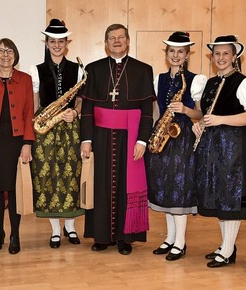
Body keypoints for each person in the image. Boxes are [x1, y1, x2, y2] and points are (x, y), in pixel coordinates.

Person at [79, 24, 154, 255]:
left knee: (126, 186)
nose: (117, 41)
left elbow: (147, 110)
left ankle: (125, 238)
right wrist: (86, 139)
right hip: (100, 137)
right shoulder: (94, 69)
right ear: (106, 43)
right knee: (100, 185)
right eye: (112, 38)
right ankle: (101, 236)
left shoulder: (143, 70)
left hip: (130, 137)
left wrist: (142, 141)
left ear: (128, 41)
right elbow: (88, 108)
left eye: (121, 37)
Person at [191, 35, 246, 268]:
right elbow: (204, 115)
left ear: (234, 56)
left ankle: (228, 250)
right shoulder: (209, 83)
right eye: (216, 54)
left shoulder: (244, 83)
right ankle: (226, 244)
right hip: (213, 146)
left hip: (234, 147)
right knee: (220, 195)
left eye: (225, 53)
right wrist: (198, 123)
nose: (220, 58)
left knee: (231, 197)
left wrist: (219, 119)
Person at [146, 31, 206, 261]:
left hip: (182, 138)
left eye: (180, 51)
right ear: (167, 53)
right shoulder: (158, 79)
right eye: (172, 51)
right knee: (166, 189)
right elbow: (155, 111)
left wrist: (185, 110)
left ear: (187, 54)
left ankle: (180, 242)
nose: (176, 55)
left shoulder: (196, 79)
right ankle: (170, 238)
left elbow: (200, 113)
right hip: (163, 137)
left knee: (179, 190)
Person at [29, 19, 85, 249]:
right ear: (47, 42)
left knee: (71, 175)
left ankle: (70, 227)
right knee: (48, 177)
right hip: (47, 128)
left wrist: (76, 113)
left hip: (70, 127)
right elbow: (34, 105)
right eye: (52, 41)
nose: (57, 45)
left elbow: (81, 99)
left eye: (61, 41)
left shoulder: (78, 68)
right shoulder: (36, 70)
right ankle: (54, 230)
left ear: (67, 43)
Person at [0, 38, 34, 254]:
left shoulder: (25, 79)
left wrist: (27, 143)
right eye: (1, 51)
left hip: (16, 141)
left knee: (15, 190)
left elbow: (29, 112)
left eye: (9, 51)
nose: (5, 55)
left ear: (15, 55)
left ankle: (14, 234)